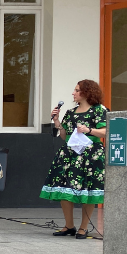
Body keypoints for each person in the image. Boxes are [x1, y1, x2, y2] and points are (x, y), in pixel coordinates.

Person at [40, 79, 107, 239]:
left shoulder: (99, 110)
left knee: (88, 191)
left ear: (87, 92)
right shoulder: (70, 112)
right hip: (69, 154)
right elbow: (64, 136)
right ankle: (69, 225)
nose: (73, 93)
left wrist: (88, 130)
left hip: (91, 155)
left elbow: (106, 131)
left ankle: (83, 228)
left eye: (77, 90)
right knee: (64, 189)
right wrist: (57, 121)